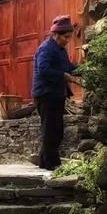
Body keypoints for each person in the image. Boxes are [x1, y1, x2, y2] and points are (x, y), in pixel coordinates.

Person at [32, 15, 80, 171]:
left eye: (69, 37)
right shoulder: (45, 49)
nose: (68, 40)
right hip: (46, 94)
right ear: (56, 35)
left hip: (57, 94)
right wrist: (63, 76)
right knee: (51, 130)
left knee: (56, 129)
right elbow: (43, 70)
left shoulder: (61, 51)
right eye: (66, 37)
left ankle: (44, 162)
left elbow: (68, 67)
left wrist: (83, 70)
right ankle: (52, 164)